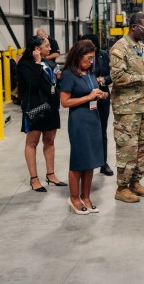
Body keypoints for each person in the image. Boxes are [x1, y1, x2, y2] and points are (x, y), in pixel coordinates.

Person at [109, 13, 144, 203]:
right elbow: (117, 78)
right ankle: (122, 187)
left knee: (142, 148)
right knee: (127, 148)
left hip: (142, 106)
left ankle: (135, 182)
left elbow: (139, 73)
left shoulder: (141, 47)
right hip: (127, 110)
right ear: (134, 27)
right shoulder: (119, 48)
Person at [59, 40, 107, 214]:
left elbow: (91, 91)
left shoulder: (90, 72)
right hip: (79, 121)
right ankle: (74, 198)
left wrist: (99, 94)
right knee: (79, 161)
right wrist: (88, 97)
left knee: (91, 161)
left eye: (93, 58)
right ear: (79, 56)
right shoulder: (68, 75)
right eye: (88, 58)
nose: (91, 61)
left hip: (93, 119)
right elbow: (65, 102)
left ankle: (86, 196)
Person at [17, 36, 66, 192]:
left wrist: (58, 77)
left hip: (51, 105)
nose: (50, 49)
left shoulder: (49, 63)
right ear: (36, 49)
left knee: (50, 140)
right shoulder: (25, 65)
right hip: (35, 107)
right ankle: (34, 179)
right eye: (46, 46)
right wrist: (37, 63)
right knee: (32, 142)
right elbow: (32, 83)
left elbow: (52, 82)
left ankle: (51, 175)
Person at [80, 33, 114, 176]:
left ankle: (103, 162)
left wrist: (102, 80)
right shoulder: (78, 57)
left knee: (102, 131)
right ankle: (87, 163)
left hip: (102, 99)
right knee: (86, 132)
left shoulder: (103, 55)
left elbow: (112, 75)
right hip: (85, 99)